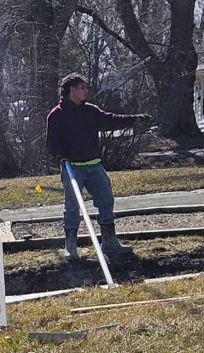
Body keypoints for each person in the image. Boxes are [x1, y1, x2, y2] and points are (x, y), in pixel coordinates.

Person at [46, 73, 151, 260]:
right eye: (83, 88)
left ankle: (110, 243)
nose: (86, 91)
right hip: (72, 168)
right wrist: (61, 156)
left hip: (94, 166)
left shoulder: (91, 111)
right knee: (72, 206)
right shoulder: (57, 115)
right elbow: (51, 144)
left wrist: (135, 119)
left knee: (106, 201)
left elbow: (111, 119)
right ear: (72, 90)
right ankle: (70, 247)